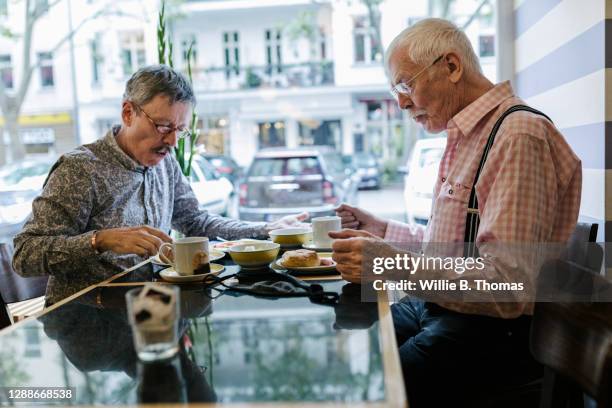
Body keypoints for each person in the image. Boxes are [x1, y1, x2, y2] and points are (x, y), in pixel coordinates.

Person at [330, 18, 581, 407]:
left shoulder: (518, 136)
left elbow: (508, 286)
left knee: (372, 388)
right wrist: (380, 230)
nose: (400, 102)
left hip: (498, 333)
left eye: (405, 84)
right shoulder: (469, 134)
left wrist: (389, 265)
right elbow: (454, 250)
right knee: (354, 337)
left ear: (451, 66)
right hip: (448, 310)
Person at [13, 65, 307, 304]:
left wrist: (265, 230)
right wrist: (99, 240)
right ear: (128, 113)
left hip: (149, 309)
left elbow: (195, 221)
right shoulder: (80, 169)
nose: (172, 141)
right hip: (87, 321)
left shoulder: (165, 163)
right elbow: (25, 254)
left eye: (181, 130)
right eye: (164, 126)